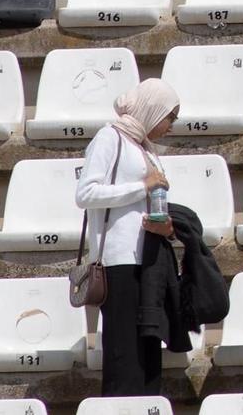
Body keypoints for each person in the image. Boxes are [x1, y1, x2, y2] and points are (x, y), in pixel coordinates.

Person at [75, 79, 180, 396]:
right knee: (124, 352)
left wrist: (166, 226)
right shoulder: (110, 138)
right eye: (169, 117)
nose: (171, 127)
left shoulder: (144, 146)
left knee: (147, 351)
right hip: (118, 262)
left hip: (147, 260)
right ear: (153, 110)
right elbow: (86, 193)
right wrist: (141, 187)